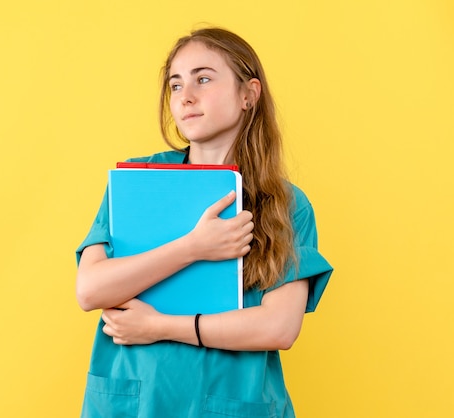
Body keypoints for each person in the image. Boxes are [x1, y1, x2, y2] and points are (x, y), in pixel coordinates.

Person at [75, 27, 333, 418]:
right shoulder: (136, 180)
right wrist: (193, 247)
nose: (186, 97)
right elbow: (90, 290)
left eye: (204, 79)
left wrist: (161, 326)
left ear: (249, 94)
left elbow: (278, 328)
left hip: (233, 401)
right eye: (176, 85)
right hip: (134, 401)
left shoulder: (288, 205)